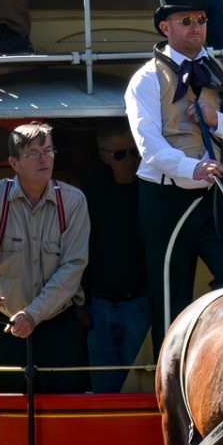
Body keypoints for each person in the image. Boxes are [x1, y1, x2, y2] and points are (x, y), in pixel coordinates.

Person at [126, 0, 223, 338]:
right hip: (166, 201)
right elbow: (149, 148)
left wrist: (217, 120)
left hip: (219, 197)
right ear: (165, 27)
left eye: (200, 19)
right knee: (169, 300)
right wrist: (193, 168)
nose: (196, 27)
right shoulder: (145, 80)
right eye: (186, 21)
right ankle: (170, 388)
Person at [0, 122, 92, 390]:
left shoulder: (74, 202)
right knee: (6, 416)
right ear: (14, 163)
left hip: (58, 324)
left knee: (64, 414)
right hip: (2, 325)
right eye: (33, 153)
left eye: (49, 151)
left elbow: (73, 268)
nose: (44, 159)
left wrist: (32, 314)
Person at [81, 123, 149, 391]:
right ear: (104, 156)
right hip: (99, 305)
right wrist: (81, 303)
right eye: (120, 155)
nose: (130, 160)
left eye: (135, 152)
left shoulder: (152, 187)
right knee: (103, 387)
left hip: (141, 303)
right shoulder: (92, 191)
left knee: (140, 385)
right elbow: (81, 250)